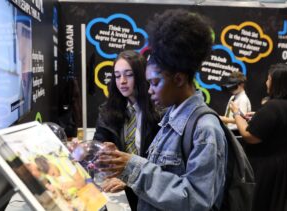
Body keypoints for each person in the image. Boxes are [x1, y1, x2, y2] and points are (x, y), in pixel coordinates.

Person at [96, 9, 227, 211]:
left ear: (178, 79)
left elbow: (198, 200)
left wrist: (133, 167)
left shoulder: (204, 130)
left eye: (155, 83)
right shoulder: (170, 118)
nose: (149, 90)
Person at [230, 63, 287, 211]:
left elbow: (249, 136)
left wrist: (236, 114)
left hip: (272, 171)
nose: (266, 82)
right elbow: (282, 124)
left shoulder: (273, 107)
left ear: (277, 83)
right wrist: (259, 116)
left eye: (269, 79)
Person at [93, 50, 160, 210]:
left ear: (142, 76)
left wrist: (130, 178)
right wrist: (97, 151)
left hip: (152, 191)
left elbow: (162, 161)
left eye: (128, 75)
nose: (122, 81)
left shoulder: (160, 112)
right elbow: (98, 144)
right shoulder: (107, 110)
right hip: (119, 192)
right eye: (117, 76)